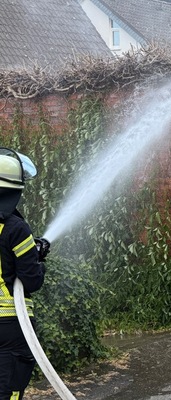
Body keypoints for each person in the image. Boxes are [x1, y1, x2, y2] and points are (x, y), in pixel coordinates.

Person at [0, 148, 47, 399]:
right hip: (10, 325)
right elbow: (32, 279)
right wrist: (39, 260)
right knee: (8, 389)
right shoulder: (16, 228)